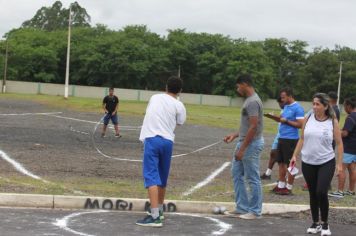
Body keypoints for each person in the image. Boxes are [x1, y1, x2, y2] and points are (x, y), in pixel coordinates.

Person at [290, 93, 343, 236]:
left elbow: (339, 143)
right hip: (308, 161)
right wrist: (294, 155)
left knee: (321, 191)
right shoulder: (308, 118)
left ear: (326, 106)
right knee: (313, 193)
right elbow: (301, 139)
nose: (314, 106)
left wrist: (339, 164)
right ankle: (315, 223)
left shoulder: (332, 121)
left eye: (317, 104)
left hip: (326, 161)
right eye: (313, 104)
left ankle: (325, 224)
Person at [136, 76, 186, 227]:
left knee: (151, 176)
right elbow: (180, 122)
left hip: (152, 139)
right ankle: (160, 209)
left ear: (166, 87)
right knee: (162, 177)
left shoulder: (155, 97)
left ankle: (155, 215)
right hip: (168, 141)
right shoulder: (179, 105)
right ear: (180, 91)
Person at [224, 74, 264, 220]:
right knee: (236, 173)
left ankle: (255, 211)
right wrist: (235, 135)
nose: (237, 89)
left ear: (244, 84)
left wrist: (242, 149)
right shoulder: (249, 100)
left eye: (238, 86)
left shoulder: (253, 102)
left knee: (252, 177)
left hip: (250, 145)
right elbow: (247, 126)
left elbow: (253, 127)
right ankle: (242, 208)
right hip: (245, 142)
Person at [273, 87, 304, 195]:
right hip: (282, 138)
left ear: (290, 96)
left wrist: (286, 121)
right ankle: (281, 185)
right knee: (281, 163)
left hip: (291, 140)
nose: (282, 99)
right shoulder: (285, 106)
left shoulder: (298, 108)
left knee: (290, 164)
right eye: (281, 97)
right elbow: (282, 118)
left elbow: (300, 125)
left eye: (283, 97)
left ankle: (289, 187)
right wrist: (274, 117)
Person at [329, 97, 356, 198]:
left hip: (348, 147)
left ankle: (340, 191)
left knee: (341, 168)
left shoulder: (351, 117)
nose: (344, 108)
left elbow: (345, 133)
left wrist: (335, 132)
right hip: (355, 148)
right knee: (353, 169)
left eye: (344, 106)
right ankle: (351, 190)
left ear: (349, 106)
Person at [261, 96, 285, 180]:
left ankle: (282, 178)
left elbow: (283, 120)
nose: (279, 105)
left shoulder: (289, 110)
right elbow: (280, 120)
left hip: (285, 136)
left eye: (280, 103)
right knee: (273, 153)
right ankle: (268, 174)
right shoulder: (283, 110)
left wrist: (271, 116)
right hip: (279, 134)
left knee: (282, 158)